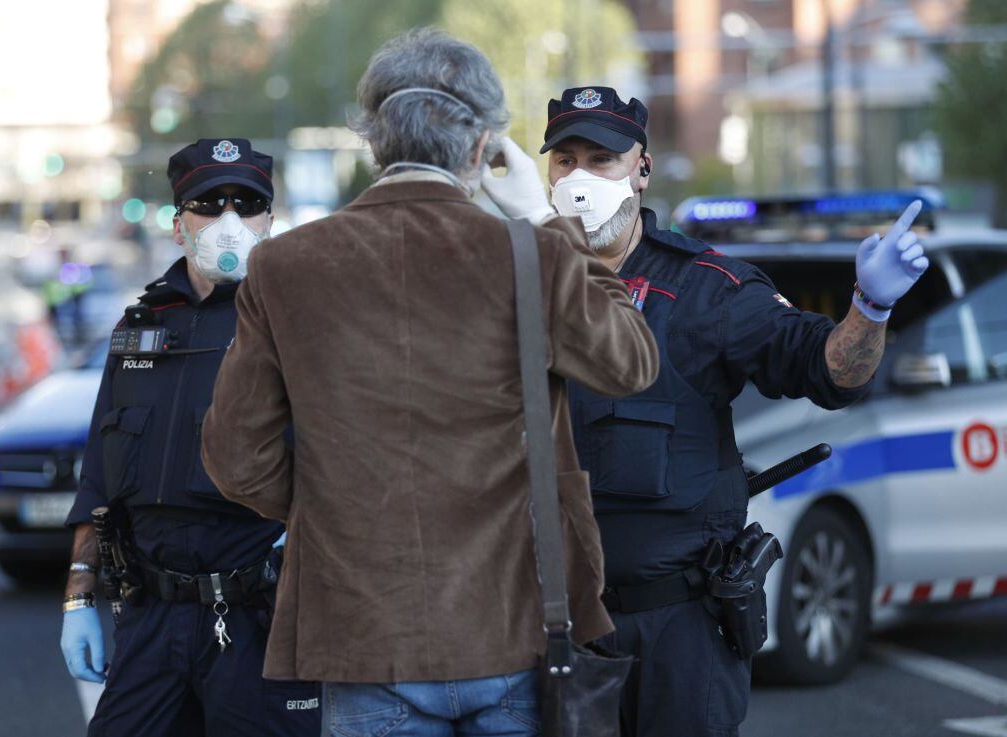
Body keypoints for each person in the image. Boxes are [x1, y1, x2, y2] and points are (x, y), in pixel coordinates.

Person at [199, 30, 660, 737]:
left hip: (362, 631)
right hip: (510, 623)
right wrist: (544, 216)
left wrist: (333, 512)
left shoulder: (284, 264)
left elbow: (237, 456)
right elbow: (631, 362)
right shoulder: (530, 253)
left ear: (374, 142)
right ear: (481, 150)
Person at [490, 86, 927, 737]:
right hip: (550, 627)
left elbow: (830, 372)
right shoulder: (513, 288)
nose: (580, 178)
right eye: (566, 160)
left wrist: (870, 306)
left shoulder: (705, 289)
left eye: (602, 160)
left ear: (641, 170)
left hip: (680, 633)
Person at [59, 138, 321, 737]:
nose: (229, 220)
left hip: (261, 624)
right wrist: (78, 599)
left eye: (246, 203)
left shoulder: (300, 325)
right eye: (209, 204)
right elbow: (100, 472)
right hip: (150, 623)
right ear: (180, 227)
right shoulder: (140, 328)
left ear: (269, 222)